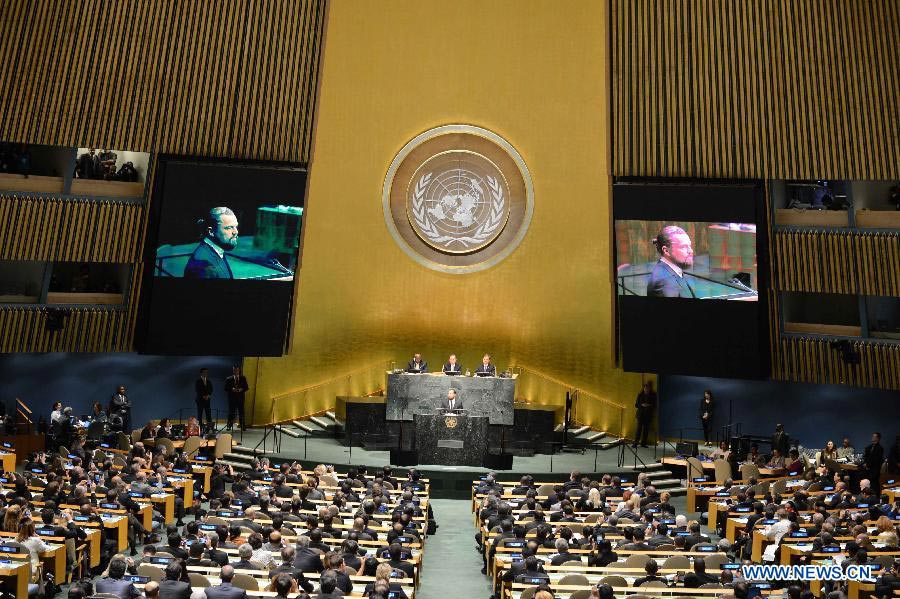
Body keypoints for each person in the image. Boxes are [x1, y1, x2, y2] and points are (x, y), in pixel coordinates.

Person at [184, 207, 239, 279]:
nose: (235, 232)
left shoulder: (216, 251)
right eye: (229, 228)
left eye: (236, 227)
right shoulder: (204, 265)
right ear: (211, 231)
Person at [646, 225, 696, 298]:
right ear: (666, 251)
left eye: (689, 246)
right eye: (683, 247)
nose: (691, 251)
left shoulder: (673, 269)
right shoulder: (663, 283)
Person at [225, 366, 249, 431]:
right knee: (231, 412)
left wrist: (241, 389)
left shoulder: (243, 378)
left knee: (241, 412)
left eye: (237, 370)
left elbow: (246, 387)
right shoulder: (228, 379)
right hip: (232, 399)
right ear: (233, 371)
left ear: (239, 370)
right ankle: (229, 426)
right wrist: (232, 389)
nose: (236, 371)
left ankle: (243, 425)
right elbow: (225, 388)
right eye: (235, 370)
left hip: (241, 398)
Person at [633, 380, 656, 448]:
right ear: (643, 388)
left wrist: (648, 405)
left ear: (650, 388)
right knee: (638, 430)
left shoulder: (653, 395)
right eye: (645, 388)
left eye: (647, 388)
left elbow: (655, 405)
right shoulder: (640, 395)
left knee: (646, 430)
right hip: (640, 415)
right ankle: (635, 443)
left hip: (648, 415)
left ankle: (643, 443)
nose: (646, 389)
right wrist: (642, 405)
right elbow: (636, 405)